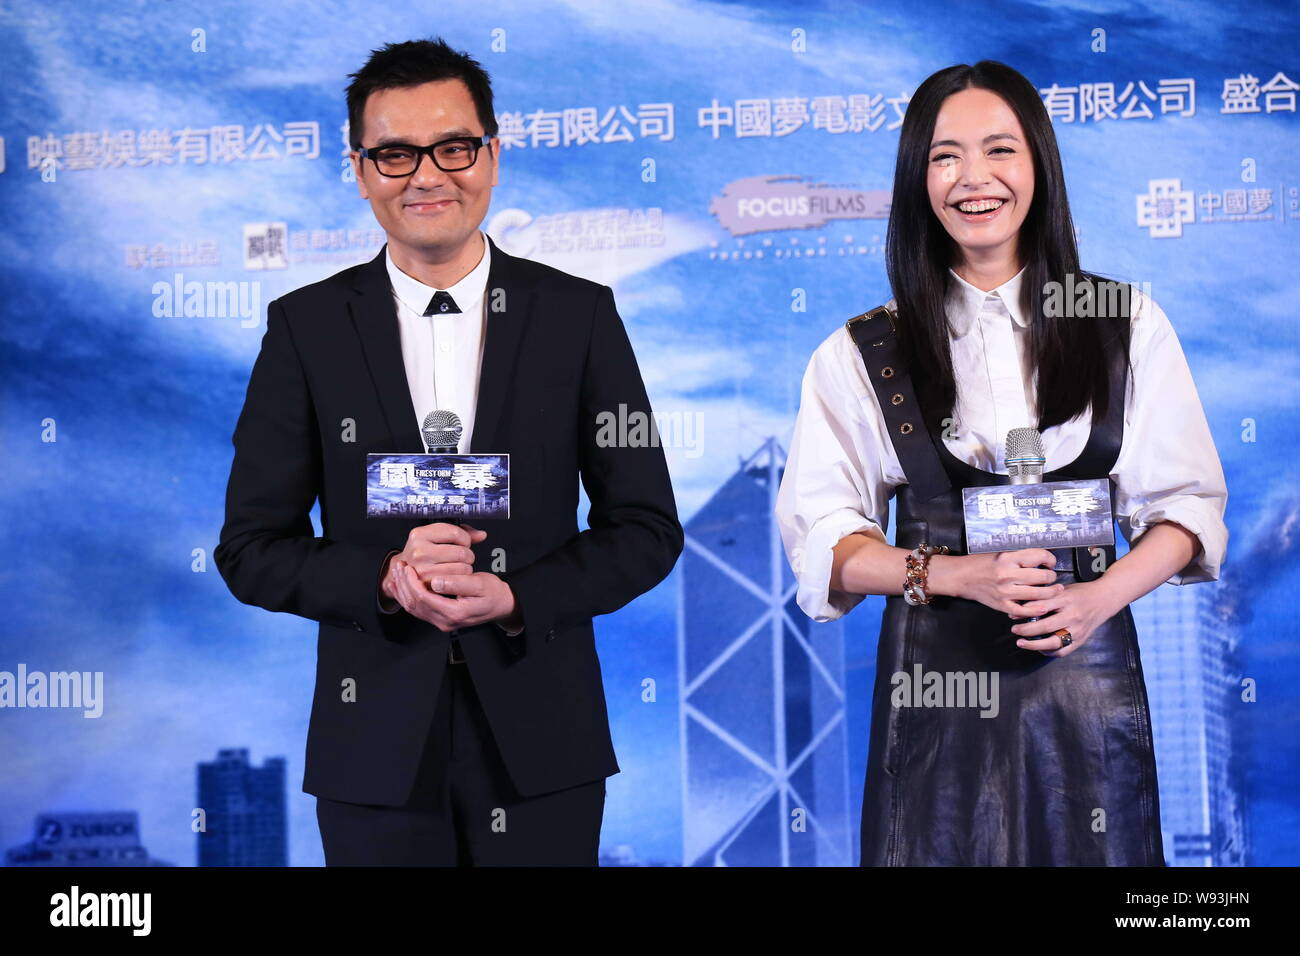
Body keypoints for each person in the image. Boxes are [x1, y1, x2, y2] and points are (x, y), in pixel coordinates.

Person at [214, 38, 682, 866]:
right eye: (394, 154)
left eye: (453, 147)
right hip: (375, 750)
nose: (426, 175)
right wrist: (383, 579)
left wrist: (516, 598)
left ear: (491, 157)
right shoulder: (306, 329)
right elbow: (251, 550)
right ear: (360, 171)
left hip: (544, 741)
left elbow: (645, 529)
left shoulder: (577, 317)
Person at [774, 60, 1228, 866]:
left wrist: (1095, 601)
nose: (973, 179)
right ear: (918, 177)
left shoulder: (1124, 325)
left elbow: (1187, 509)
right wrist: (955, 576)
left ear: (1039, 166)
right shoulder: (862, 351)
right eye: (945, 156)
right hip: (933, 700)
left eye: (999, 151)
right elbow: (824, 539)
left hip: (1087, 692)